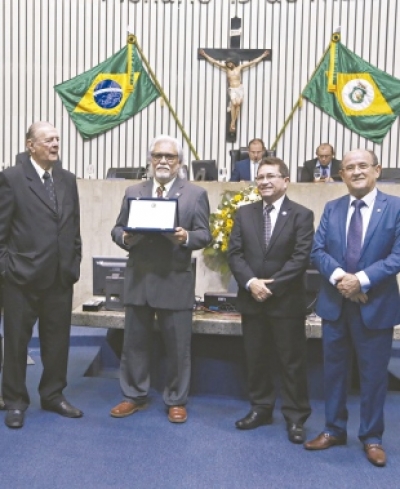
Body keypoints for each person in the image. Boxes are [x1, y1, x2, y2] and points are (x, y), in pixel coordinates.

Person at [303, 149, 400, 467]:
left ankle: (372, 437)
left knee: (373, 377)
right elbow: (317, 251)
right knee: (334, 373)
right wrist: (342, 280)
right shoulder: (332, 208)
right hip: (335, 306)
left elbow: (397, 257)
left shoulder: (396, 208)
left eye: (362, 166)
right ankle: (333, 429)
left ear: (377, 170)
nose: (356, 171)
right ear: (341, 174)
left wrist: (360, 280)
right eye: (349, 168)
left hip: (376, 306)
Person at [110, 135, 211, 423]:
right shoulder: (133, 190)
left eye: (169, 157)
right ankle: (133, 395)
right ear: (150, 160)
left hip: (174, 279)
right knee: (134, 343)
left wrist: (186, 237)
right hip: (139, 278)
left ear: (179, 162)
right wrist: (125, 237)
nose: (163, 161)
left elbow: (205, 234)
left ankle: (176, 400)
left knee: (178, 346)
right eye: (158, 156)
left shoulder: (195, 194)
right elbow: (117, 229)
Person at [0, 121, 82, 429]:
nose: (55, 144)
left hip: (60, 278)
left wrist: (74, 261)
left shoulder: (67, 179)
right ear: (30, 144)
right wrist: (7, 268)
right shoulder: (11, 178)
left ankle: (53, 395)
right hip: (21, 278)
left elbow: (73, 227)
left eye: (57, 139)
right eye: (48, 140)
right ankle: (16, 401)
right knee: (17, 344)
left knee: (57, 342)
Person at [228, 156, 314, 444]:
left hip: (286, 302)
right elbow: (235, 254)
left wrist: (271, 287)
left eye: (271, 176)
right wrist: (252, 283)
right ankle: (261, 408)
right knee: (256, 358)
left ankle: (296, 417)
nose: (264, 181)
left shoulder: (302, 214)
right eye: (260, 177)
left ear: (285, 181)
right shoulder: (244, 213)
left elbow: (300, 258)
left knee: (291, 362)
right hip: (252, 300)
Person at [199, 49, 270, 132]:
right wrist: (205, 55)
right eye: (227, 63)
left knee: (238, 104)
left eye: (230, 63)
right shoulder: (226, 69)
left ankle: (233, 122)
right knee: (235, 103)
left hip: (239, 88)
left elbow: (252, 62)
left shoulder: (239, 68)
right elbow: (215, 62)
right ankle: (232, 122)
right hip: (232, 88)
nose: (229, 64)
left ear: (233, 62)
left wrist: (263, 56)